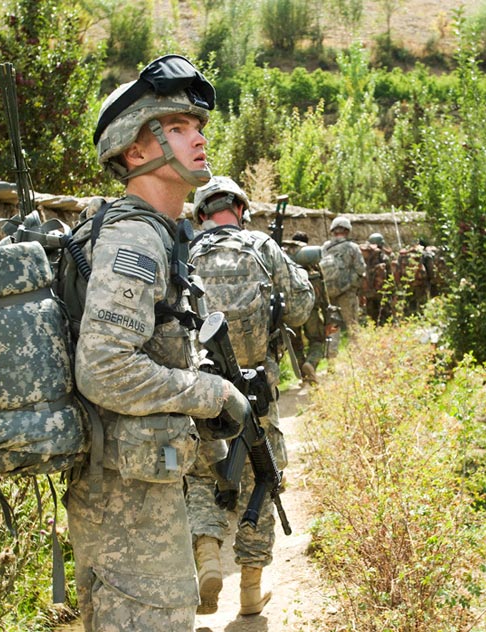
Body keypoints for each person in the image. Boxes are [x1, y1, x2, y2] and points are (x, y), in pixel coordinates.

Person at [63, 54, 253, 632]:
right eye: (175, 127)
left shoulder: (159, 234)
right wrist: (208, 393)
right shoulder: (135, 239)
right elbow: (105, 368)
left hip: (139, 485)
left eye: (196, 127)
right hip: (124, 501)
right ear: (135, 150)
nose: (197, 139)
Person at [186, 175, 314, 616]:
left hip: (202, 391)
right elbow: (300, 307)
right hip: (258, 393)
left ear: (201, 215)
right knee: (264, 477)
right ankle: (250, 591)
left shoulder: (185, 254)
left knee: (204, 477)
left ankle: (206, 559)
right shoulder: (263, 247)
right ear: (241, 209)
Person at [282, 231, 327, 382]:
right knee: (317, 340)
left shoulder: (284, 264)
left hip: (290, 311)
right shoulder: (312, 264)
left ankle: (303, 373)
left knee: (295, 344)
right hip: (311, 311)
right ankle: (311, 363)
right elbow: (323, 290)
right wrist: (328, 316)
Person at [319, 216, 365, 346]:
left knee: (333, 326)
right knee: (352, 325)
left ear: (333, 230)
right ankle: (357, 355)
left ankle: (331, 358)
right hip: (348, 292)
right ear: (347, 230)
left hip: (329, 293)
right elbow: (361, 269)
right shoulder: (352, 247)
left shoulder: (325, 247)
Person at [359, 232, 393, 325]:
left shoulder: (364, 258)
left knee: (371, 315)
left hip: (369, 291)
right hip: (382, 291)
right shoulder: (384, 257)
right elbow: (390, 276)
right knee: (385, 314)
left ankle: (372, 329)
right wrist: (392, 290)